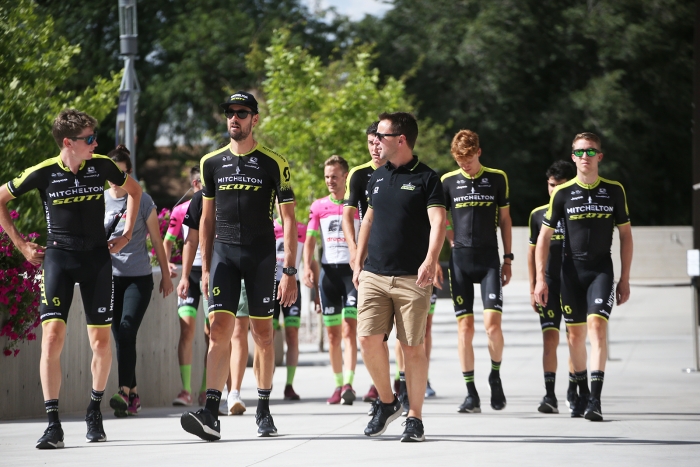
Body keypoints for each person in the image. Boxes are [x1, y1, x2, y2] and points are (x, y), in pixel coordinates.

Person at [0, 109, 142, 449]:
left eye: (95, 138)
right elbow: (1, 198)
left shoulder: (103, 165)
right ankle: (53, 424)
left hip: (96, 259)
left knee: (101, 343)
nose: (95, 144)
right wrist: (20, 244)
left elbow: (135, 192)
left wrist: (124, 236)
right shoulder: (44, 172)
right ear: (69, 142)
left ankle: (94, 410)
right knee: (51, 339)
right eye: (89, 139)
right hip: (59, 259)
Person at [180, 91, 297, 441]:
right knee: (219, 331)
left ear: (255, 119)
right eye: (230, 112)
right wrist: (205, 265)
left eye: (242, 113)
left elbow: (289, 219)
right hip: (224, 257)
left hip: (261, 256)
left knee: (263, 335)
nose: (235, 118)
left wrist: (288, 270)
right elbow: (208, 218)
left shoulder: (274, 162)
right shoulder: (211, 162)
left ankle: (263, 407)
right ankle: (210, 412)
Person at [353, 112, 445, 443]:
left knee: (411, 348)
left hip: (412, 280)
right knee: (366, 339)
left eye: (382, 135)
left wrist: (431, 260)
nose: (376, 139)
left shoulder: (427, 179)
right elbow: (368, 220)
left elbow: (438, 223)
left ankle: (415, 417)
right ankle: (388, 402)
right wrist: (357, 261)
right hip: (374, 275)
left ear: (401, 139)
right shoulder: (376, 177)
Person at [534, 132, 633, 422]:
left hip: (600, 270)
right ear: (573, 157)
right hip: (570, 273)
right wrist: (540, 279)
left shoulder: (614, 190)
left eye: (590, 152)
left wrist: (625, 278)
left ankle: (595, 400)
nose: (585, 157)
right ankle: (578, 385)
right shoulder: (563, 193)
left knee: (597, 329)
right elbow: (543, 237)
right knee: (575, 337)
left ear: (599, 156)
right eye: (579, 152)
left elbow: (626, 235)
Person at [441, 129, 512, 414]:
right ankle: (471, 393)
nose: (464, 164)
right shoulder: (447, 181)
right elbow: (439, 218)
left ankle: (495, 374)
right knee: (465, 328)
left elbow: (505, 219)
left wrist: (508, 259)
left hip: (488, 261)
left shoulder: (497, 178)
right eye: (459, 160)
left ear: (478, 152)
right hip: (459, 261)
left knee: (492, 326)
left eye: (468, 158)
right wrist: (448, 239)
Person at [105, 145, 174, 417]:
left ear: (129, 173)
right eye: (111, 174)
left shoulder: (142, 200)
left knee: (126, 330)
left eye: (120, 174)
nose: (114, 180)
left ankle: (123, 391)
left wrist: (166, 276)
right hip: (109, 279)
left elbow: (156, 240)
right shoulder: (101, 200)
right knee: (120, 337)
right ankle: (133, 395)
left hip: (138, 278)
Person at [176, 188, 248, 416]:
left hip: (242, 268)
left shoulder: (240, 190)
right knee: (215, 332)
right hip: (212, 272)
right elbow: (190, 240)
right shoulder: (198, 199)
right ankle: (213, 395)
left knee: (237, 332)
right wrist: (185, 276)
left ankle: (234, 392)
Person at [304, 155, 360, 405]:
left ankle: (349, 382)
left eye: (334, 176)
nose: (330, 181)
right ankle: (338, 384)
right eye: (327, 177)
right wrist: (307, 268)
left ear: (345, 176)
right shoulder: (318, 206)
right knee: (333, 335)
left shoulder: (358, 204)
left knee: (349, 330)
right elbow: (310, 240)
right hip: (328, 275)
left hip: (351, 274)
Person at [527, 160, 576, 414]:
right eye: (551, 185)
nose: (554, 190)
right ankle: (549, 395)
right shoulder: (538, 214)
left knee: (573, 338)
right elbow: (532, 253)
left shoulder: (577, 211)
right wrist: (534, 285)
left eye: (559, 185)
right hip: (548, 286)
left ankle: (573, 390)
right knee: (550, 340)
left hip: (573, 285)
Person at [342, 121, 384, 405]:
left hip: (398, 261)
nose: (375, 147)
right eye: (371, 142)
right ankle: (376, 387)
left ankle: (397, 382)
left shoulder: (401, 172)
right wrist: (355, 251)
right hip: (368, 263)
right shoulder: (358, 175)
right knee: (368, 331)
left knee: (400, 334)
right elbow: (347, 216)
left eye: (379, 141)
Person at [165, 167, 210, 407]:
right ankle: (185, 390)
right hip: (190, 276)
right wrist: (167, 267)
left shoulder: (215, 205)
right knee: (187, 330)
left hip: (212, 275)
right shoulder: (181, 210)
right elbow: (168, 241)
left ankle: (205, 389)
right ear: (195, 185)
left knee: (211, 334)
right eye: (204, 184)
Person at [273, 201, 307, 401]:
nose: (281, 206)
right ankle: (266, 383)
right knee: (267, 334)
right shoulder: (268, 227)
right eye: (277, 202)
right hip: (271, 287)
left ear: (294, 204)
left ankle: (289, 385)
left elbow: (309, 259)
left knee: (292, 335)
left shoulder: (301, 228)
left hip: (293, 286)